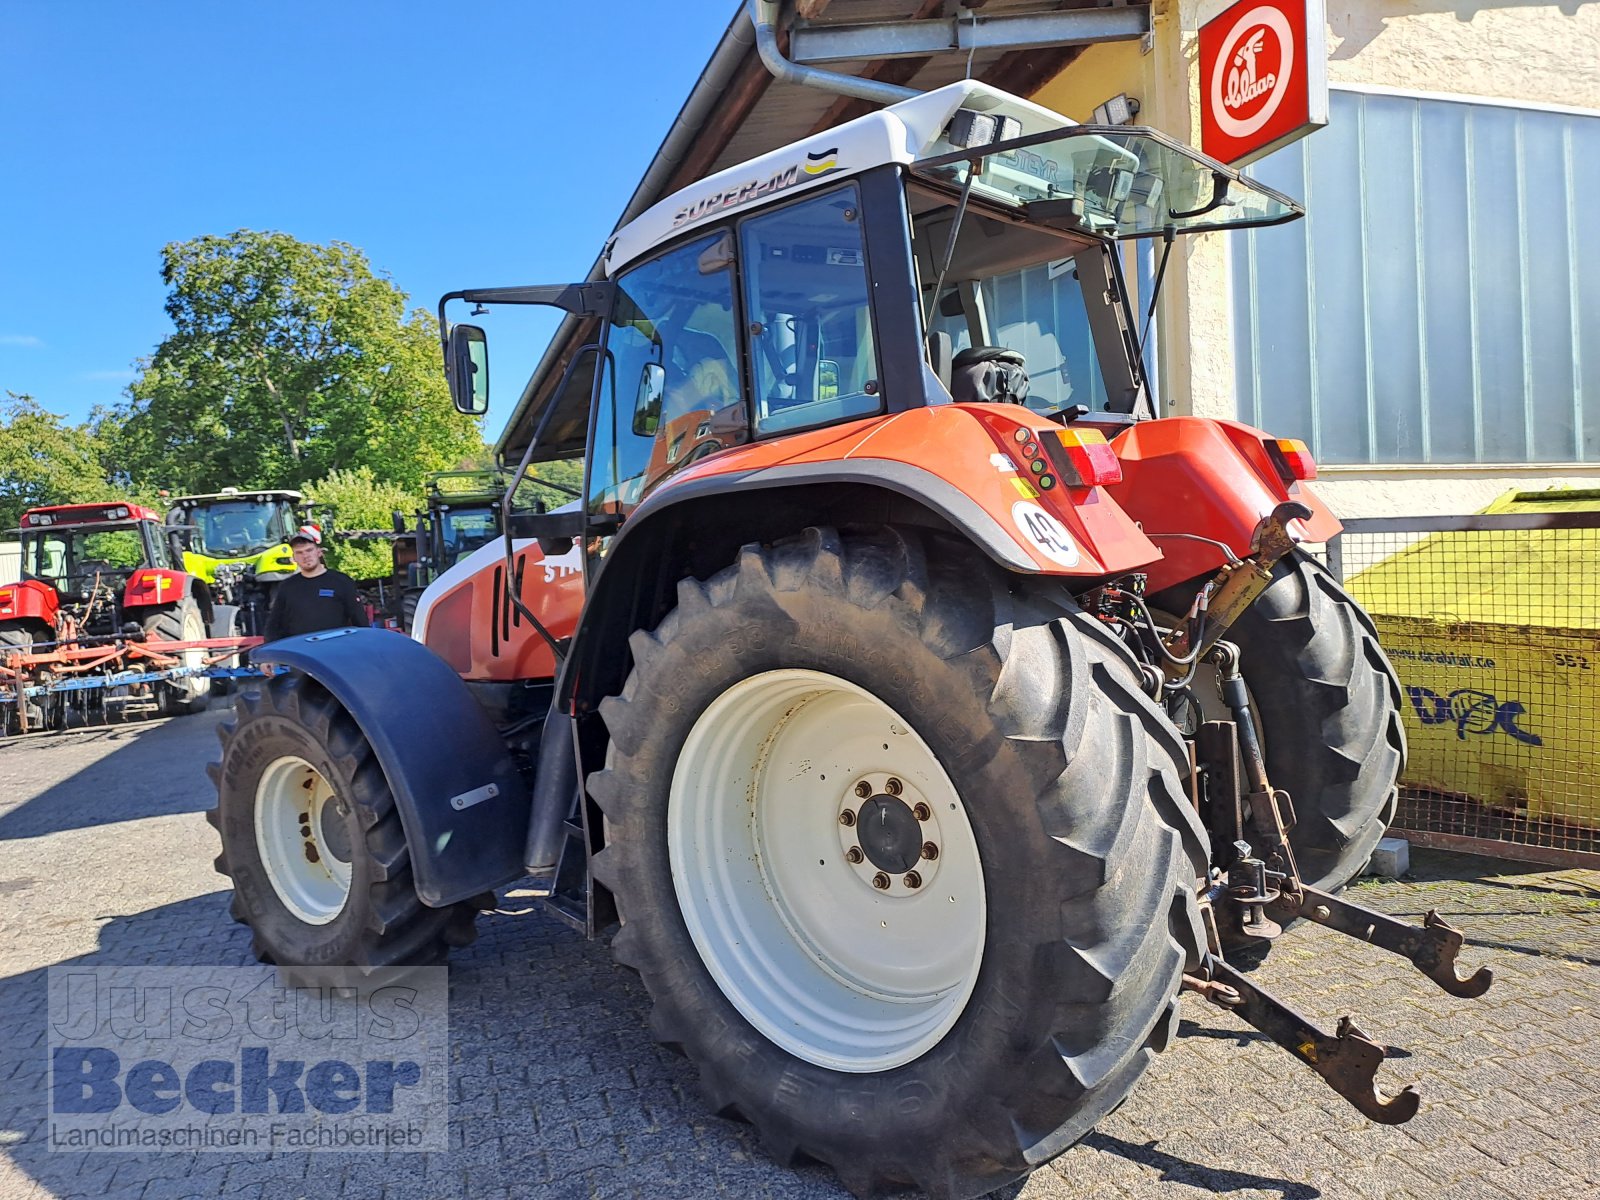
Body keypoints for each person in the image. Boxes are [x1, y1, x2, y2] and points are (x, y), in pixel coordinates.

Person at [262, 525, 366, 642]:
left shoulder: (341, 582)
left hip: (336, 649)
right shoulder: (287, 587)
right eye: (299, 552)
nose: (305, 556)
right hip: (300, 653)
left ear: (319, 552)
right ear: (293, 558)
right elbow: (273, 625)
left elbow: (360, 620)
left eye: (309, 550)